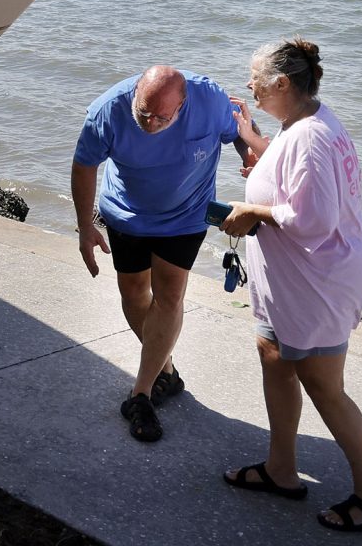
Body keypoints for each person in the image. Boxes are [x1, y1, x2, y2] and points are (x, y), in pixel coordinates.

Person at [219, 39, 362, 533]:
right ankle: (280, 469)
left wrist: (254, 210)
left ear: (282, 83)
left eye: (254, 78)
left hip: (321, 278)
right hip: (294, 279)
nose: (248, 85)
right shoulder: (303, 124)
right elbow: (295, 175)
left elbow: (314, 219)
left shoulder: (311, 136)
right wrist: (254, 144)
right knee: (273, 355)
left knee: (324, 386)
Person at [72, 64, 266, 442]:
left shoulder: (209, 99)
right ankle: (166, 370)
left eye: (163, 116)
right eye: (144, 113)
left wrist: (250, 156)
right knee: (132, 294)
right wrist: (85, 228)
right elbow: (84, 166)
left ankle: (140, 394)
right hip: (127, 214)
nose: (152, 122)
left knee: (170, 295)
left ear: (183, 105)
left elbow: (240, 134)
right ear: (134, 98)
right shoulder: (107, 110)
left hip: (185, 216)